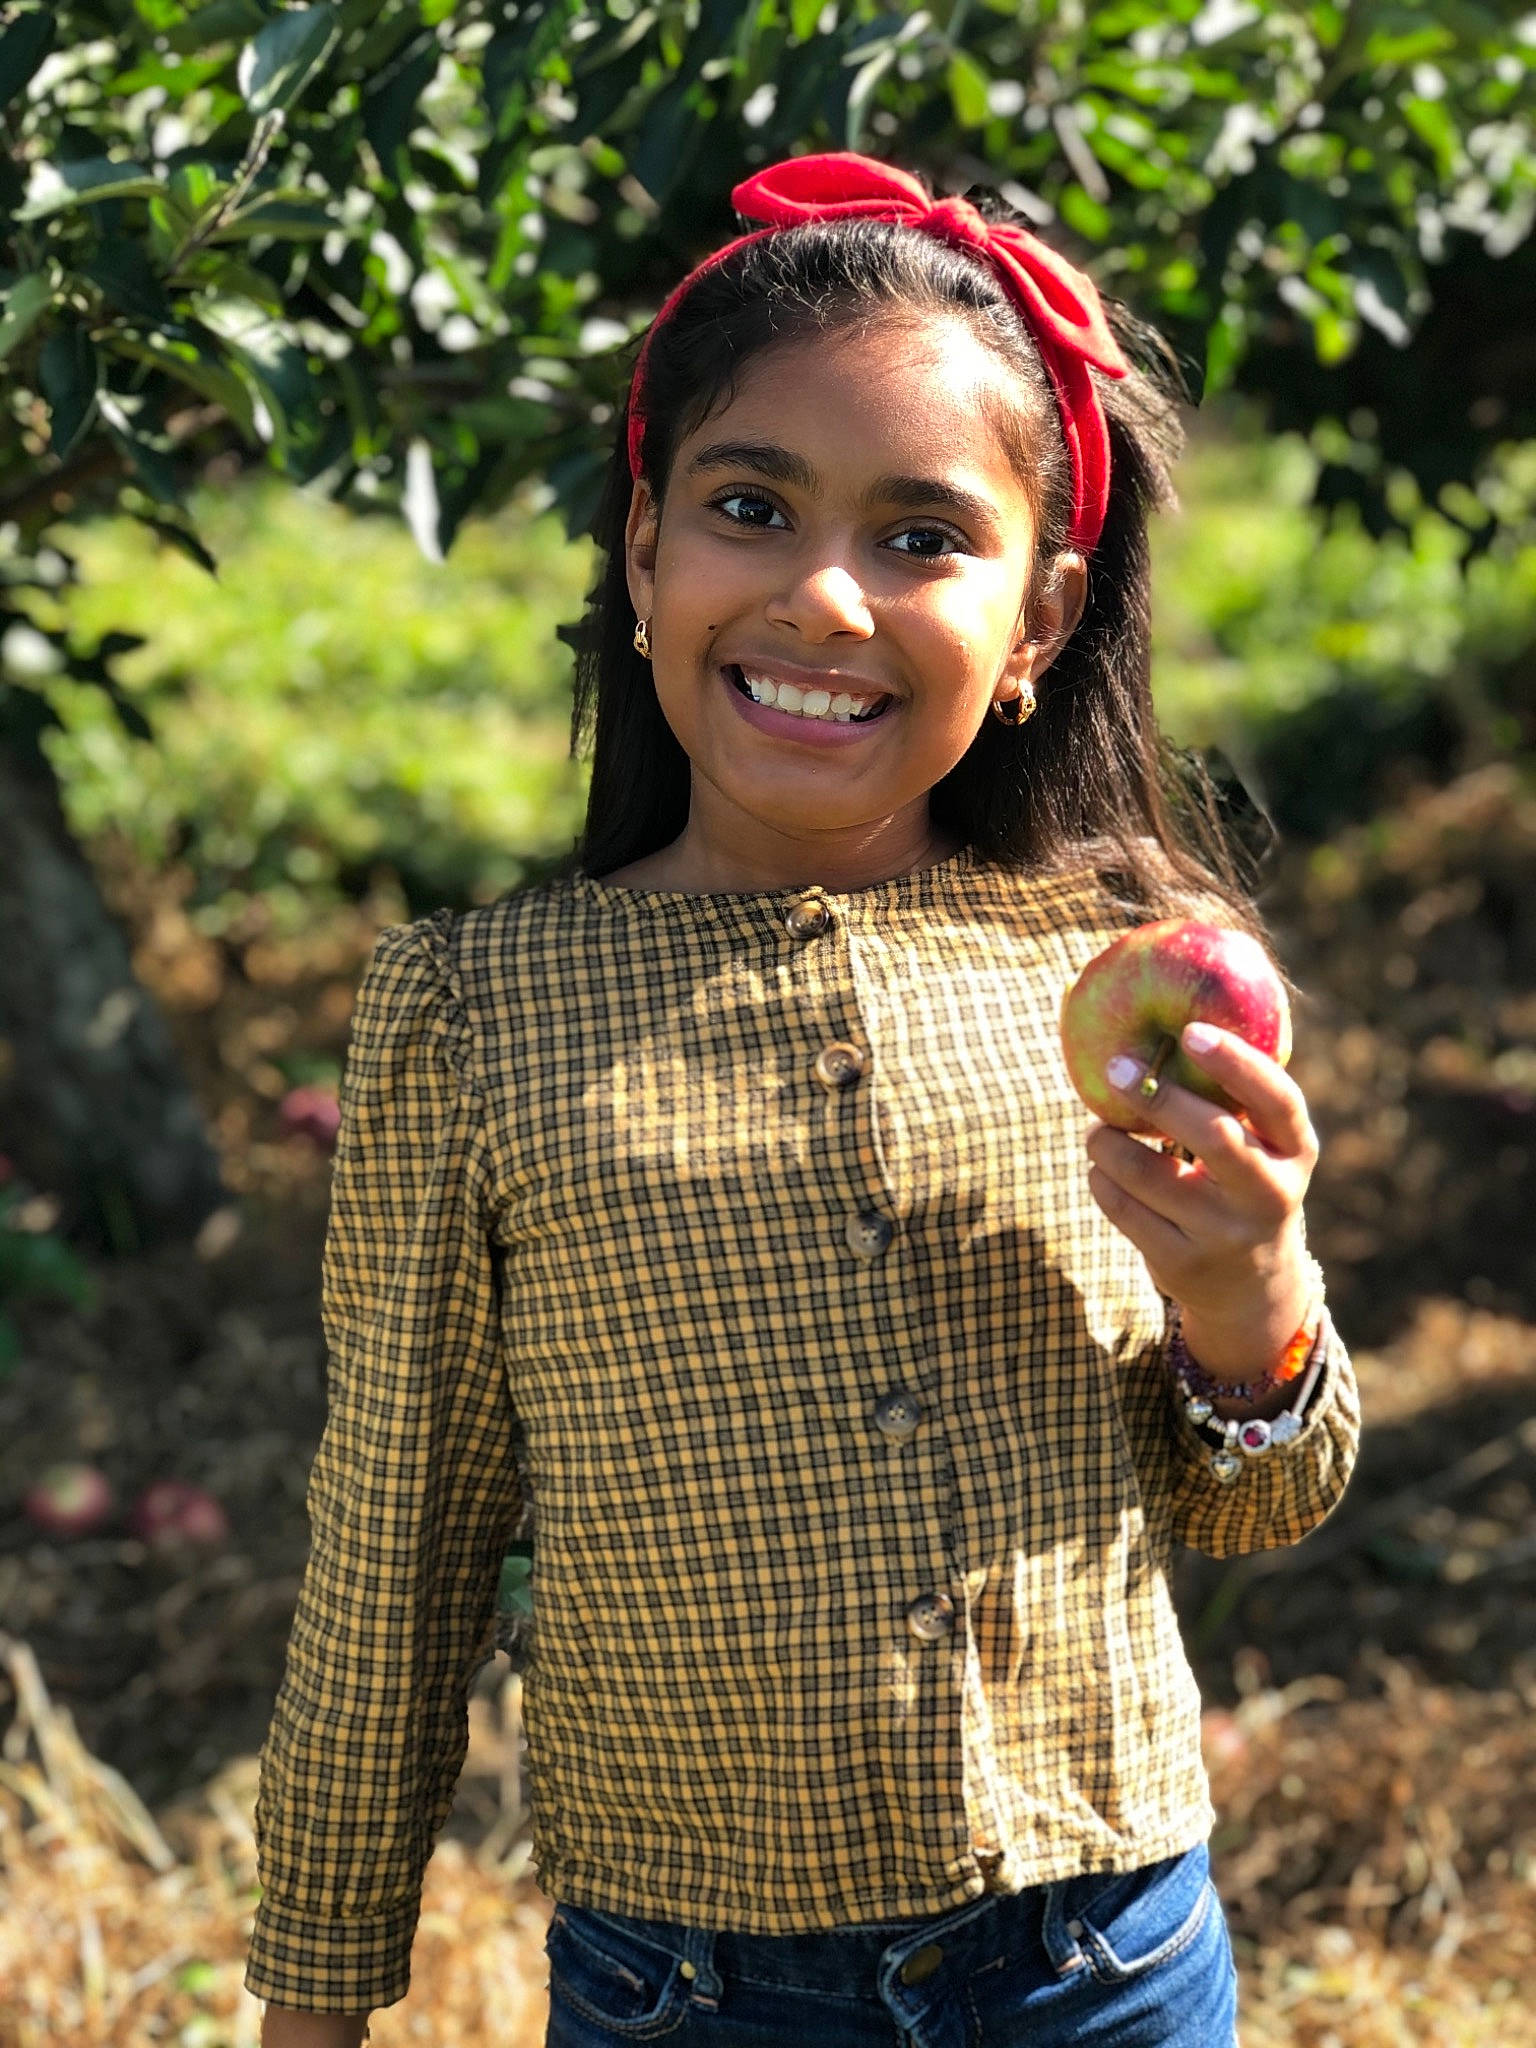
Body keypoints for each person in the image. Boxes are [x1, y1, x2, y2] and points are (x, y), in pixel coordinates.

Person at [247, 151, 1360, 2048]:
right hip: (690, 1983)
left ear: (1040, 624)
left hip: (1105, 1961)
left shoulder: (1114, 975)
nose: (824, 596)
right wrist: (315, 1997)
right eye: (749, 507)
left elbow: (1253, 1504)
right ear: (642, 548)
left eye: (926, 537)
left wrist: (1255, 1308)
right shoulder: (478, 1011)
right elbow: (399, 1546)